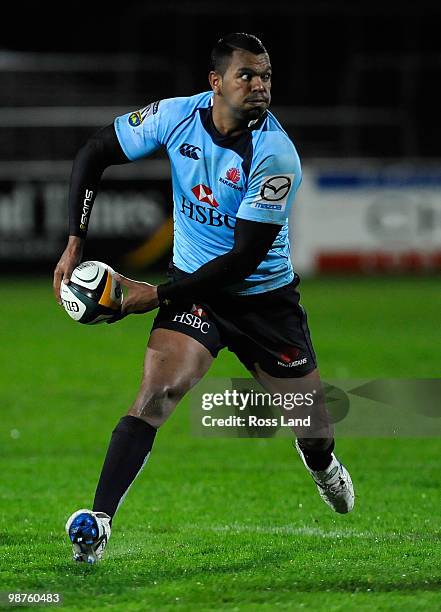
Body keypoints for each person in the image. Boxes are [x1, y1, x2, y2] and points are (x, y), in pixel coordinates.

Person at [53, 32, 354, 564]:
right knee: (156, 396)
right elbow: (94, 151)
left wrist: (154, 294)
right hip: (197, 296)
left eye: (266, 76)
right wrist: (75, 243)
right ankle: (98, 524)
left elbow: (242, 260)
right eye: (247, 75)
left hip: (264, 303)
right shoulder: (176, 117)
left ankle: (322, 465)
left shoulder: (277, 154)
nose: (260, 86)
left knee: (315, 430)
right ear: (216, 82)